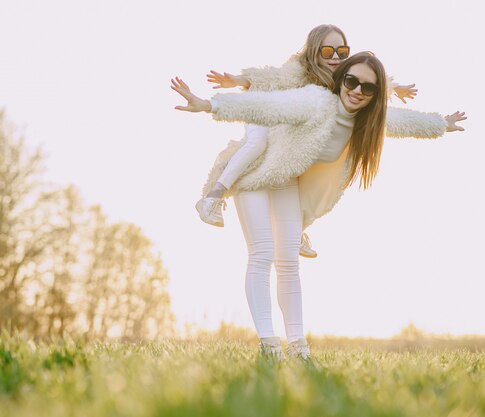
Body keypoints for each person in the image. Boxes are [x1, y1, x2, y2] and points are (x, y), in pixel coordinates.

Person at [171, 52, 466, 360]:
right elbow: (265, 106)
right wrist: (210, 105)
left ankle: (299, 349)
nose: (357, 91)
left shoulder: (367, 120)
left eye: (368, 88)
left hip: (283, 178)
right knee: (262, 253)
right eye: (351, 81)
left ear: (376, 96)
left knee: (288, 263)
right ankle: (270, 347)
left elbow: (404, 122)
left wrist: (442, 124)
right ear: (341, 81)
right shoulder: (316, 102)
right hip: (255, 172)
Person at [195, 24, 418, 259]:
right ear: (314, 51)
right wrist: (239, 80)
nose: (334, 57)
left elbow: (369, 79)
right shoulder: (299, 70)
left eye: (341, 52)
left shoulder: (342, 75)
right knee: (257, 143)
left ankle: (295, 229)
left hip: (288, 124)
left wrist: (394, 88)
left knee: (306, 167)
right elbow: (273, 77)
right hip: (264, 109)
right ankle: (213, 196)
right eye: (327, 51)